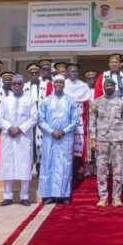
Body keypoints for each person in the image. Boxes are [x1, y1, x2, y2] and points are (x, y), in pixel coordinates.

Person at [0, 74, 38, 206]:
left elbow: (34, 118)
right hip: (8, 136)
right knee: (7, 165)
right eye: (14, 83)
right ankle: (7, 196)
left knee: (25, 166)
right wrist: (9, 128)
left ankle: (24, 196)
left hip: (23, 137)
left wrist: (20, 129)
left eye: (19, 83)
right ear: (11, 85)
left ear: (23, 85)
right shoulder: (5, 100)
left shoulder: (30, 100)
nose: (16, 86)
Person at [38, 76, 80, 205]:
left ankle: (63, 195)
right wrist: (52, 131)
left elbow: (75, 120)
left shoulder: (70, 101)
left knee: (64, 165)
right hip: (49, 137)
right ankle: (48, 194)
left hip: (65, 138)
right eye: (56, 82)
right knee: (48, 164)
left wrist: (63, 131)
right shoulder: (46, 101)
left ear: (64, 84)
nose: (59, 84)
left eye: (61, 82)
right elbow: (40, 120)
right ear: (53, 84)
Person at [88, 78, 123, 207]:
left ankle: (116, 198)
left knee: (117, 169)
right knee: (101, 169)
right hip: (102, 140)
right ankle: (103, 197)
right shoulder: (96, 102)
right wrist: (93, 139)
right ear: (104, 87)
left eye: (111, 85)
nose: (109, 87)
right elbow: (92, 122)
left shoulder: (121, 102)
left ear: (115, 87)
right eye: (107, 85)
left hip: (117, 140)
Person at [63, 63, 92, 181]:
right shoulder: (63, 84)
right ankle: (67, 172)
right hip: (66, 120)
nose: (73, 73)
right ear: (68, 73)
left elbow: (88, 103)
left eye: (75, 71)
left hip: (80, 119)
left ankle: (75, 171)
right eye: (71, 71)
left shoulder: (83, 86)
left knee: (78, 146)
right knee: (67, 145)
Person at [27, 63, 53, 176]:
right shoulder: (24, 86)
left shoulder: (47, 85)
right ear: (29, 75)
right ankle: (27, 168)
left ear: (39, 74)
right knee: (29, 143)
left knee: (41, 144)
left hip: (42, 119)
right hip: (28, 120)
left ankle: (40, 168)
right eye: (32, 73)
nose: (34, 75)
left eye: (36, 73)